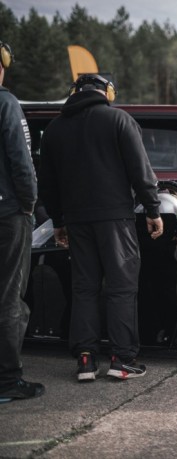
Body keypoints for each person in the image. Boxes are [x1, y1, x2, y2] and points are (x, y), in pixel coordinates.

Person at [38, 74, 164, 382]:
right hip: (115, 219)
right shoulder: (118, 120)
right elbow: (140, 168)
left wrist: (58, 221)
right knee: (121, 287)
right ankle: (123, 360)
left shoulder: (55, 129)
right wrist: (152, 209)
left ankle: (85, 360)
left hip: (77, 221)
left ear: (74, 93)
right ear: (107, 92)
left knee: (84, 288)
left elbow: (48, 184)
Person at [0, 39, 45, 403]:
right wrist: (29, 205)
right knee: (10, 297)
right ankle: (7, 380)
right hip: (7, 214)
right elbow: (22, 161)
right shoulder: (6, 103)